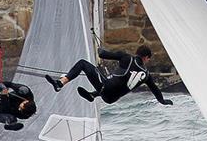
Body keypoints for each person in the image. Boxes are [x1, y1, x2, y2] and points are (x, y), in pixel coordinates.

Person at [45, 45, 173, 106]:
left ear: (137, 53)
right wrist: (162, 101)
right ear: (146, 58)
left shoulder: (126, 57)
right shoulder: (146, 75)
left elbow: (102, 54)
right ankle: (92, 95)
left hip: (105, 88)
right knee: (112, 80)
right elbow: (155, 90)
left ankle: (60, 83)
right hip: (111, 99)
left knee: (83, 63)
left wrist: (99, 47)